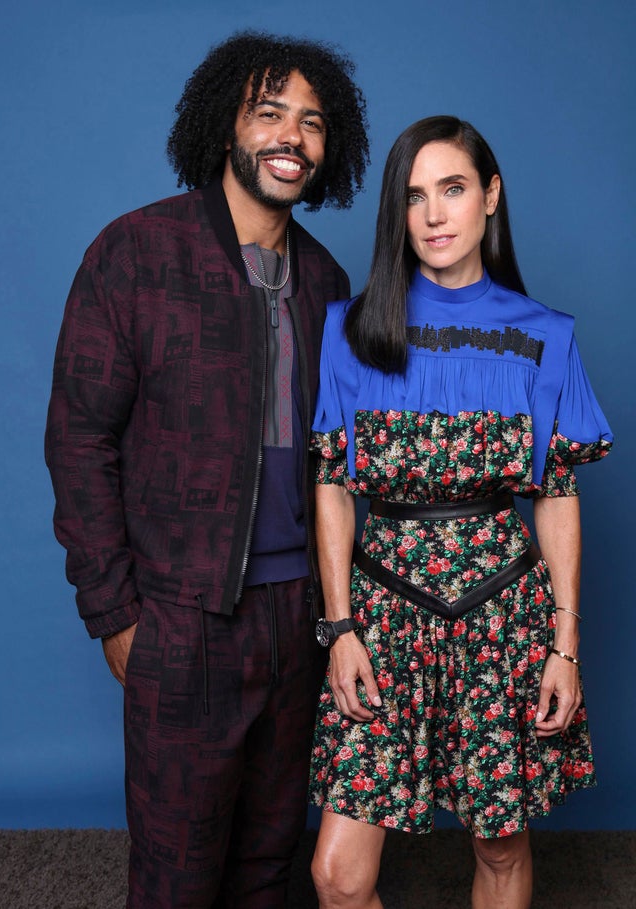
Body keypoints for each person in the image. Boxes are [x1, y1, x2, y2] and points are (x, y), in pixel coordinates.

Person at [45, 31, 369, 908]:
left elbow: (338, 458)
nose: (291, 138)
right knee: (177, 874)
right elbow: (78, 438)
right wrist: (114, 610)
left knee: (268, 863)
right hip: (181, 618)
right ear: (225, 123)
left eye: (311, 123)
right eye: (270, 114)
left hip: (298, 616)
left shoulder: (328, 282)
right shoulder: (135, 254)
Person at [307, 116, 612, 909]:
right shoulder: (349, 329)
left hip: (501, 618)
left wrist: (565, 646)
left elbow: (556, 495)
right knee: (338, 877)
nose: (434, 215)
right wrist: (340, 628)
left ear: (490, 197)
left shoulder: (546, 337)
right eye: (414, 196)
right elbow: (333, 485)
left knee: (500, 846)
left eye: (453, 189)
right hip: (381, 619)